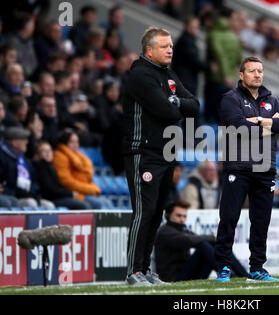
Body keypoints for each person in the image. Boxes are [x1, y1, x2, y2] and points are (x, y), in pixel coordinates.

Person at [121, 26, 200, 286]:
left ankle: (145, 269)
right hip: (143, 153)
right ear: (149, 50)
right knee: (144, 212)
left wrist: (175, 101)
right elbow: (168, 111)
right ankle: (133, 271)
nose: (170, 50)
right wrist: (176, 102)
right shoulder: (140, 75)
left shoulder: (167, 74)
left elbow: (194, 105)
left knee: (156, 213)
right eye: (165, 46)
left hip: (166, 154)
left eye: (171, 46)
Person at [214, 56, 279, 282]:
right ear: (241, 75)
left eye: (260, 71)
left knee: (261, 221)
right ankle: (223, 267)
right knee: (229, 218)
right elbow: (238, 127)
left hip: (265, 168)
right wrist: (269, 124)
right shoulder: (230, 98)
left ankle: (257, 267)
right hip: (237, 167)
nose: (257, 74)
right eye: (252, 71)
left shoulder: (271, 99)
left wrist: (257, 120)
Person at [154, 200, 248, 282]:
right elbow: (189, 240)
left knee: (212, 245)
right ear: (168, 215)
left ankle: (242, 274)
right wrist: (213, 237)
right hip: (173, 278)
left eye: (184, 216)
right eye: (178, 216)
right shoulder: (164, 231)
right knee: (204, 244)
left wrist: (214, 240)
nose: (182, 220)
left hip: (187, 273)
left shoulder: (182, 230)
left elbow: (194, 239)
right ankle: (232, 274)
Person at [0, 126, 54, 208]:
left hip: (27, 195)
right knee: (30, 203)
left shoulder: (25, 160)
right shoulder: (0, 158)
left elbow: (34, 183)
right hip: (14, 196)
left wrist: (33, 194)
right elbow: (2, 186)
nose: (27, 142)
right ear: (14, 142)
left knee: (49, 205)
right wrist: (26, 194)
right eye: (23, 139)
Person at [52, 129, 113, 209]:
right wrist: (90, 189)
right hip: (75, 193)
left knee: (107, 203)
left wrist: (91, 189)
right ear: (65, 142)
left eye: (77, 142)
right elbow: (66, 182)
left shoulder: (78, 156)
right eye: (72, 142)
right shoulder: (59, 157)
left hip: (83, 192)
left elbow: (86, 179)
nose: (75, 144)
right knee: (100, 204)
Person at [33, 142, 89, 210]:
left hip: (58, 197)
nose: (48, 153)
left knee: (86, 203)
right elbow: (50, 190)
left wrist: (70, 193)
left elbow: (58, 186)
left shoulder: (51, 167)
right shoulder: (40, 168)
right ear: (38, 154)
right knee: (83, 205)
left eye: (49, 150)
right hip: (50, 199)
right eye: (44, 151)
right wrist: (70, 193)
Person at [171, 16, 207, 96]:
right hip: (184, 81)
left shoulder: (188, 40)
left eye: (196, 27)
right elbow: (193, 60)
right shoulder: (186, 41)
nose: (194, 29)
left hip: (185, 80)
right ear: (186, 26)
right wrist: (209, 67)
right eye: (192, 27)